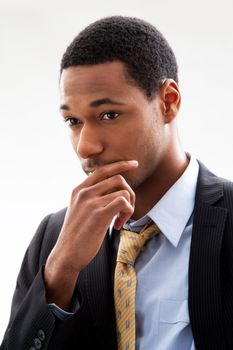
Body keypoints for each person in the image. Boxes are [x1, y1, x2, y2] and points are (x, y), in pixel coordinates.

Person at [1, 15, 233, 350]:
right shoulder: (53, 239)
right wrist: (61, 270)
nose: (85, 146)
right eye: (72, 121)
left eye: (109, 114)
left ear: (168, 102)